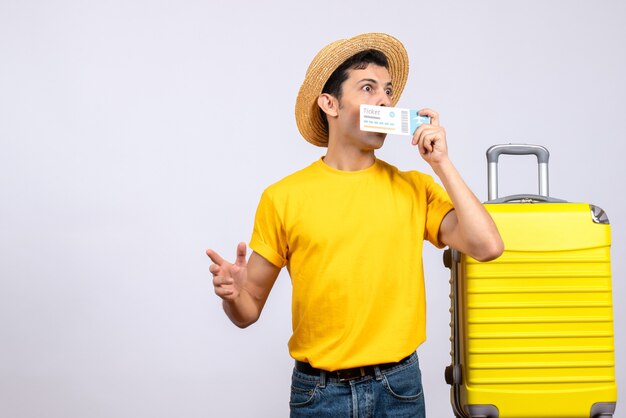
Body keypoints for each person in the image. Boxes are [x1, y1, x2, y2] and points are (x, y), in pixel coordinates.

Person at [207, 32, 503, 417]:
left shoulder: (416, 188)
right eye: (368, 88)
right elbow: (247, 313)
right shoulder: (283, 197)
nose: (384, 100)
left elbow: (488, 246)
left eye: (389, 91)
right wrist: (233, 295)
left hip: (400, 389)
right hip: (319, 396)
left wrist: (442, 163)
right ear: (329, 103)